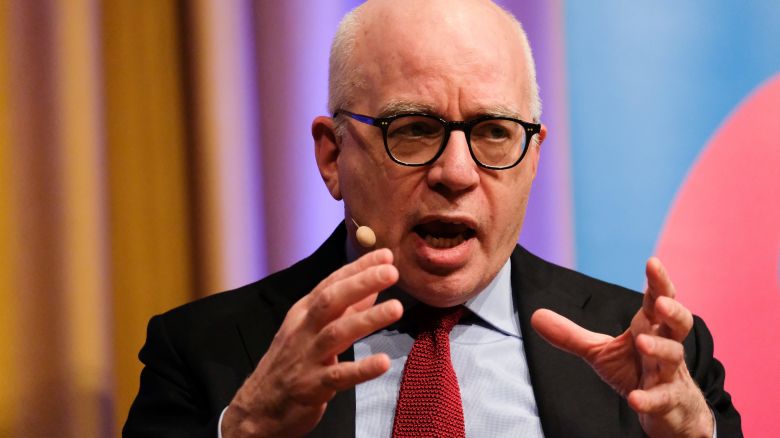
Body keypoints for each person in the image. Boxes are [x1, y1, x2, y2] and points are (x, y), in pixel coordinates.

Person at [123, 0, 741, 436]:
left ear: (533, 159)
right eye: (414, 130)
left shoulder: (657, 359)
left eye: (495, 132)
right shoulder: (203, 353)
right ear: (333, 156)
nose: (456, 172)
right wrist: (248, 428)